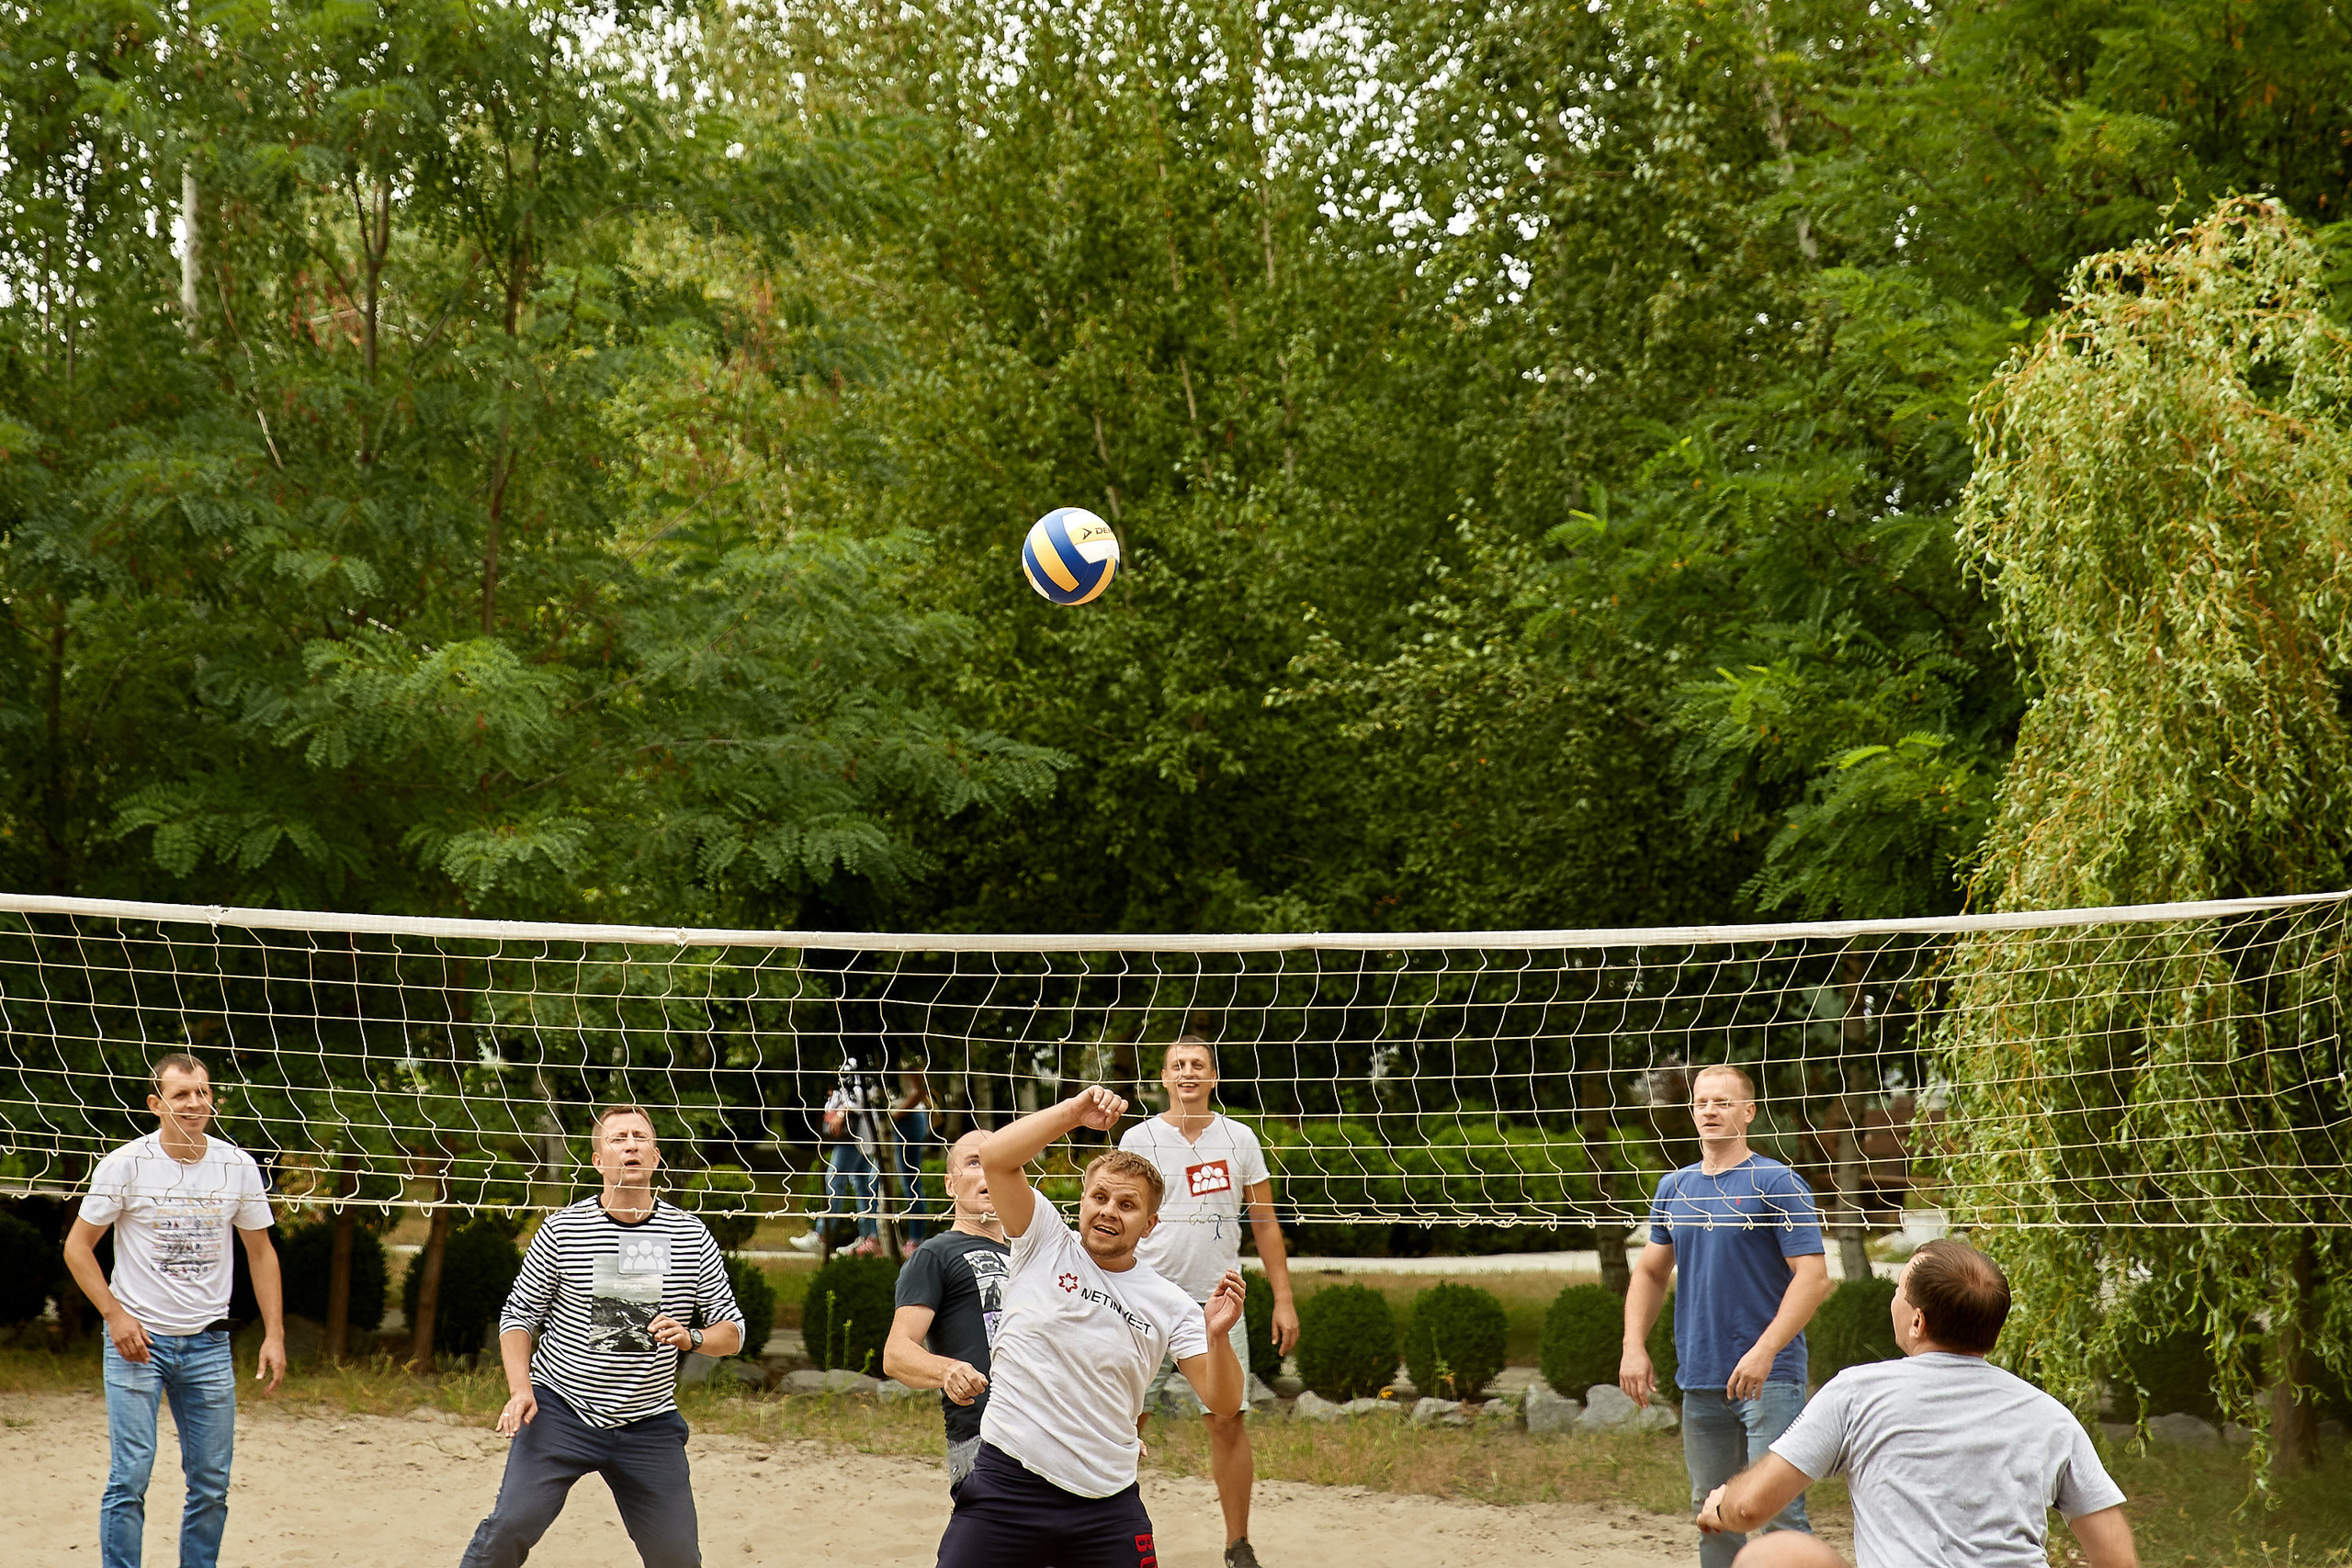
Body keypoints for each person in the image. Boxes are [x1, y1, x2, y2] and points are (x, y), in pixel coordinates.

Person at [936, 1084, 1246, 1568]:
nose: (1108, 1211)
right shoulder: (1043, 1240)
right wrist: (1074, 1113)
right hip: (1007, 1484)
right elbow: (996, 1157)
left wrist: (1218, 1336)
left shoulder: (1171, 1304)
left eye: (1127, 1205)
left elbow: (1223, 1402)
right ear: (1082, 1202)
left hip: (1106, 1503)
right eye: (1099, 1197)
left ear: (1149, 1225)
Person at [1696, 1239, 2138, 1568]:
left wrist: (1722, 1505)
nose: (1893, 1299)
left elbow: (1750, 1507)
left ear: (1917, 1322)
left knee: (1772, 1556)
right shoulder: (2052, 1417)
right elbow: (2116, 1557)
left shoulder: (1857, 1393)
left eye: (1898, 1290)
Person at [458, 1104, 744, 1568]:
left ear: (656, 1157)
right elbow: (517, 1318)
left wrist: (691, 1337)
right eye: (618, 1138)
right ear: (597, 1161)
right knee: (509, 1527)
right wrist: (520, 1390)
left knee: (677, 1558)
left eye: (641, 1138)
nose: (631, 1145)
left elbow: (732, 1332)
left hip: (648, 1421)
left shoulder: (690, 1234)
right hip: (560, 1409)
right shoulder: (564, 1229)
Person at [62, 1052, 287, 1568]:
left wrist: (274, 1334)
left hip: (209, 1343)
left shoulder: (237, 1166)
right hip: (137, 1342)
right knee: (130, 1478)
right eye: (180, 1094)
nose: (193, 1103)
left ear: (214, 1100)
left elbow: (261, 1253)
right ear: (156, 1103)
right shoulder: (125, 1164)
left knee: (210, 1484)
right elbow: (77, 1247)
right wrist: (115, 1315)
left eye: (202, 1093)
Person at [1622, 1064, 1832, 1568]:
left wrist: (1765, 1350)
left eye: (1723, 1102)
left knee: (1778, 1513)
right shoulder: (1675, 1187)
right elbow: (1649, 1271)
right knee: (1710, 1511)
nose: (1710, 1111)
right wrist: (1633, 1346)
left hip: (1768, 1378)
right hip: (1701, 1377)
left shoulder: (1776, 1181)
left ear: (1749, 1111)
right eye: (1702, 1103)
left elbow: (1813, 1277)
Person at [1119, 1033, 1298, 1568]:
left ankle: (1237, 1544)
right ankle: (1103, 1532)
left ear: (1214, 1077)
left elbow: (1264, 1223)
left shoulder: (1239, 1138)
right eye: (1178, 1065)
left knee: (1227, 1418)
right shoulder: (1138, 1138)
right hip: (1144, 1300)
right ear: (1164, 1078)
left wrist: (1283, 1299)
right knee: (1124, 1421)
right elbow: (1119, 1214)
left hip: (1217, 1305)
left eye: (1198, 1064)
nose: (1188, 1073)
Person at [885, 1130, 1012, 1491]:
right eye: (975, 1162)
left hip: (1048, 1436)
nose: (988, 1172)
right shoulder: (935, 1254)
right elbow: (896, 1354)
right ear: (950, 1184)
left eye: (1000, 1163)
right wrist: (948, 1370)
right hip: (985, 1441)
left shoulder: (1031, 1256)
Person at [794, 1064, 883, 1256]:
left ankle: (822, 1235)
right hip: (861, 1132)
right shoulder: (842, 1058)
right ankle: (870, 1238)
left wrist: (842, 1112)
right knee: (861, 1183)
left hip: (855, 1130)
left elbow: (863, 1093)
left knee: (834, 1179)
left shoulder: (857, 1058)